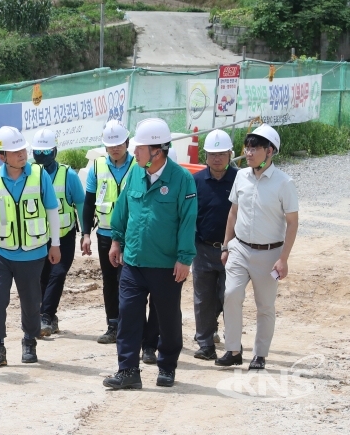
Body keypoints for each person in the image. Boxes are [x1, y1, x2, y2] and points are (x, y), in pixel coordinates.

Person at [102, 118, 197, 389]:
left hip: (166, 265)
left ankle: (167, 366)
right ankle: (128, 370)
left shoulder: (182, 180)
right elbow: (122, 209)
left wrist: (184, 258)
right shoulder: (135, 173)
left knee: (167, 319)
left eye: (139, 149)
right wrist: (116, 241)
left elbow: (188, 221)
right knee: (128, 316)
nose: (135, 153)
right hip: (133, 261)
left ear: (157, 150)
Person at [0, 126, 61, 370]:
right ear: (2, 156)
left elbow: (52, 210)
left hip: (33, 252)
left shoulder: (39, 175)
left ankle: (29, 341)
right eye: (15, 151)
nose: (22, 154)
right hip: (0, 250)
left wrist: (55, 244)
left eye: (22, 149)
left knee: (31, 301)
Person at [216, 124, 298, 370]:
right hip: (239, 248)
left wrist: (283, 258)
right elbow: (233, 212)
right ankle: (233, 350)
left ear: (270, 151)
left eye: (255, 148)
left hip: (269, 253)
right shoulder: (241, 176)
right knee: (230, 295)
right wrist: (226, 246)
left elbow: (292, 223)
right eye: (247, 147)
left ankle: (260, 354)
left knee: (265, 306)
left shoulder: (285, 183)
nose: (249, 153)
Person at [81, 119, 136, 344]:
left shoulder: (137, 167)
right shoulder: (97, 167)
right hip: (104, 233)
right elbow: (88, 202)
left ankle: (130, 327)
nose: (115, 148)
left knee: (130, 282)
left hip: (132, 235)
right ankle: (113, 325)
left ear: (127, 142)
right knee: (110, 281)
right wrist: (86, 234)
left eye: (119, 144)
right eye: (110, 144)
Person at [30, 129, 85, 337]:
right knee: (42, 276)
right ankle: (49, 315)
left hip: (64, 235)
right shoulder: (30, 175)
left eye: (46, 151)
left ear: (54, 151)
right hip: (38, 236)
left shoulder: (68, 175)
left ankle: (45, 315)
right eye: (38, 152)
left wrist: (86, 233)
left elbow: (80, 204)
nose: (42, 156)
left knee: (58, 273)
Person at [192, 129, 237, 360]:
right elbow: (188, 215)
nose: (217, 158)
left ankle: (232, 345)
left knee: (228, 296)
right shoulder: (196, 181)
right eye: (212, 154)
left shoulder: (241, 180)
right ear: (205, 155)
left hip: (233, 251)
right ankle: (205, 344)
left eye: (221, 153)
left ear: (230, 154)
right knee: (202, 298)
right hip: (203, 249)